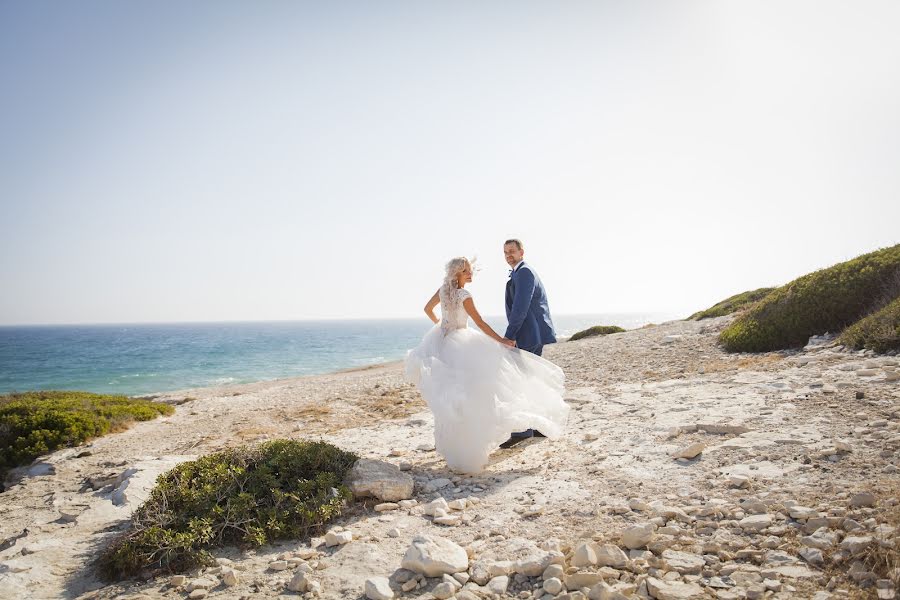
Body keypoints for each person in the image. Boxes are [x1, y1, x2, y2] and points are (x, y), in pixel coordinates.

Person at [405, 257, 568, 474]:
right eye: (467, 271)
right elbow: (480, 323)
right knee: (473, 393)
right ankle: (468, 445)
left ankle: (450, 446)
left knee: (448, 396)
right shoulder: (464, 295)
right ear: (458, 274)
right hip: (461, 343)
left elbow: (427, 309)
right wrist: (502, 340)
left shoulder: (442, 291)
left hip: (441, 343)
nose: (471, 274)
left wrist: (442, 325)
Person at [500, 238, 558, 448]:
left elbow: (520, 307)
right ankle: (537, 427)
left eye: (512, 251)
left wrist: (509, 335)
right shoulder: (518, 272)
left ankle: (524, 430)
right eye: (505, 252)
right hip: (530, 333)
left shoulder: (524, 272)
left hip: (529, 333)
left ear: (522, 252)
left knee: (520, 381)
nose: (508, 255)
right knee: (530, 380)